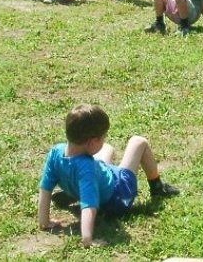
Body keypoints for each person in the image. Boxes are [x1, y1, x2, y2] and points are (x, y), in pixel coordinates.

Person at [38, 104, 180, 248]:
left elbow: (45, 189)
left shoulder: (55, 153)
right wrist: (88, 239)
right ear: (92, 142)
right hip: (118, 194)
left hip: (98, 175)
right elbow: (89, 206)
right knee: (138, 142)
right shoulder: (87, 169)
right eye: (103, 137)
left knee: (107, 149)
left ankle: (77, 189)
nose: (104, 139)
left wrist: (44, 221)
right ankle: (157, 188)